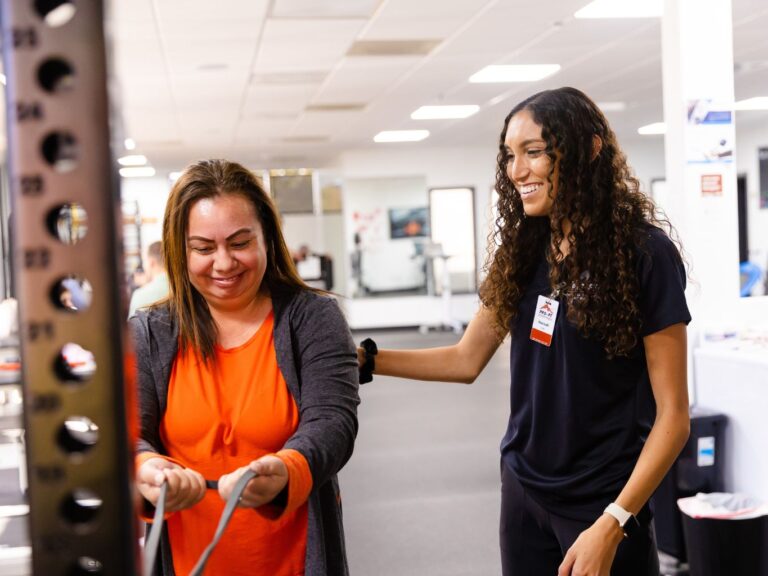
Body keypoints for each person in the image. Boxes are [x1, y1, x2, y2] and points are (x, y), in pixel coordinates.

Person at [357, 87, 691, 576]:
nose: (517, 171)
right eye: (510, 156)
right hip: (524, 488)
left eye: (534, 152)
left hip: (602, 503)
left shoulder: (645, 254)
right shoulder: (524, 251)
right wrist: (367, 360)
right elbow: (465, 359)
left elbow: (675, 417)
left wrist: (615, 520)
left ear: (589, 149)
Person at [130, 159, 360, 575]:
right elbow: (131, 436)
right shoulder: (149, 333)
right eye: (203, 248)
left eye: (239, 243)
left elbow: (333, 422)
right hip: (187, 561)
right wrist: (148, 467)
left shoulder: (313, 318)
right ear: (180, 252)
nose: (223, 263)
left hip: (291, 560)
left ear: (267, 240)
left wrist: (288, 467)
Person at [128, 240, 170, 317]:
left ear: (151, 262)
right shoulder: (183, 289)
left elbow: (134, 327)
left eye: (144, 261)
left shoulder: (139, 295)